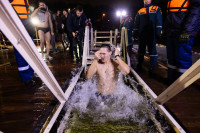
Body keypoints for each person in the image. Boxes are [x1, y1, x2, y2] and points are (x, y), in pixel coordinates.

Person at [164, 0, 200, 84]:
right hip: (172, 31)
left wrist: (187, 31)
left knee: (183, 59)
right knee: (171, 59)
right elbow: (171, 14)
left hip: (183, 31)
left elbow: (196, 10)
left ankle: (181, 85)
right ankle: (171, 81)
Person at [10, 0, 40, 86]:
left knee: (30, 51)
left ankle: (31, 74)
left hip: (26, 23)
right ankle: (26, 78)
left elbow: (26, 11)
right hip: (16, 23)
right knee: (21, 52)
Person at [133, 0, 162, 73]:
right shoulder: (140, 11)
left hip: (152, 34)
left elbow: (159, 21)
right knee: (141, 50)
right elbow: (136, 23)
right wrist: (135, 32)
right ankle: (140, 65)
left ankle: (153, 67)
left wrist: (158, 32)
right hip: (142, 34)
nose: (146, 0)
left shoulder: (156, 9)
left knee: (152, 51)